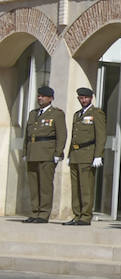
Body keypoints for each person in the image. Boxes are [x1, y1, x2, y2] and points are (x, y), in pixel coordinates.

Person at [23, 85, 66, 224]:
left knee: (45, 185)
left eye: (43, 96)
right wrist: (25, 152)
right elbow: (27, 135)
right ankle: (35, 212)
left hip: (47, 153)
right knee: (34, 184)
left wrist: (58, 153)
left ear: (51, 98)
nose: (39, 98)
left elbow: (62, 135)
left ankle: (44, 214)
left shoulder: (57, 113)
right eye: (38, 95)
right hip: (32, 152)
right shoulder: (33, 113)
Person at [66, 87, 107, 226]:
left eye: (85, 98)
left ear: (91, 98)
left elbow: (101, 135)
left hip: (88, 154)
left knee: (86, 187)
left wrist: (98, 155)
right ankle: (77, 215)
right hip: (76, 154)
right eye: (81, 98)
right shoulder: (77, 114)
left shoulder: (96, 113)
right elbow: (74, 136)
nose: (83, 100)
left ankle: (85, 216)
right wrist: (69, 154)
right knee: (75, 187)